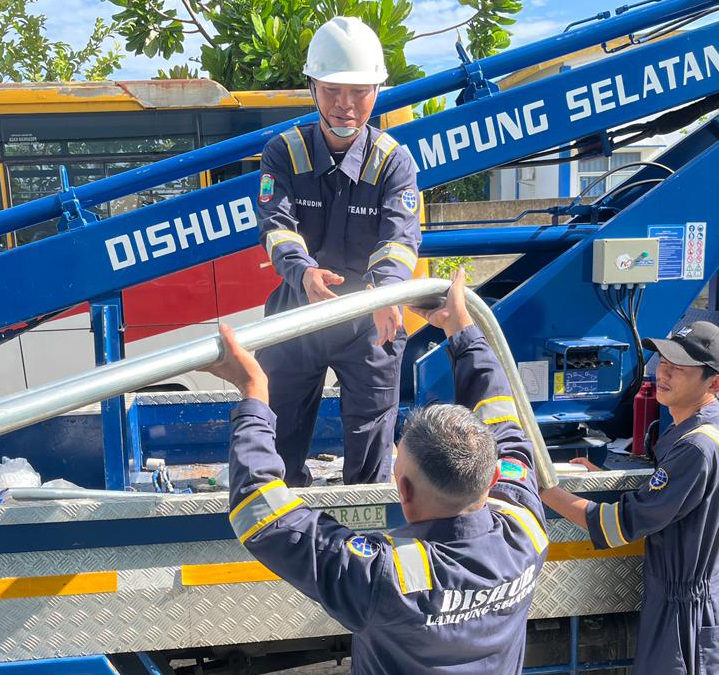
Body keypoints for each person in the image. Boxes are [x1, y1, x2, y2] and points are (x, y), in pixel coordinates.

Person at [204, 271, 549, 674]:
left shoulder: (385, 579)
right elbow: (503, 421)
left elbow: (262, 512)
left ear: (402, 489)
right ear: (492, 480)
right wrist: (463, 330)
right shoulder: (525, 528)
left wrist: (255, 391)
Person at [255, 15, 421, 487]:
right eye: (332, 90)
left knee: (371, 451)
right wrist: (303, 272)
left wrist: (388, 292)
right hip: (297, 313)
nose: (345, 105)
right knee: (278, 438)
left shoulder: (393, 161)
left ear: (377, 92)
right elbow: (276, 225)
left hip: (368, 318)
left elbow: (400, 237)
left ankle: (363, 540)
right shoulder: (283, 152)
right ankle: (285, 531)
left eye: (359, 91)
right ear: (313, 87)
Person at [540, 321, 719, 675]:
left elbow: (619, 527)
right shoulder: (705, 430)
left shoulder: (697, 446)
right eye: (663, 362)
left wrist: (543, 489)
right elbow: (671, 500)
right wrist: (605, 480)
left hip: (685, 613)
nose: (663, 373)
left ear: (716, 382)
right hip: (683, 601)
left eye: (678, 369)